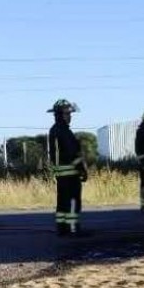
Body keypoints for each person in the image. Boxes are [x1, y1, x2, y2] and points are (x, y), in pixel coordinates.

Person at [47, 99, 87, 236]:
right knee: (72, 202)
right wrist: (81, 169)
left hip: (61, 175)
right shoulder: (64, 131)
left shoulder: (54, 130)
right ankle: (72, 228)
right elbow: (71, 153)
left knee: (62, 202)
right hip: (71, 174)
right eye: (67, 114)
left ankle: (62, 228)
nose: (70, 116)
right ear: (60, 115)